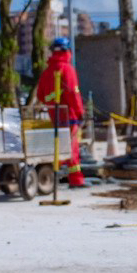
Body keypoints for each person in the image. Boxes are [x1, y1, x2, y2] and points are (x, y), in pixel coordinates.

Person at [35, 36, 86, 188]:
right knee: (72, 148)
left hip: (54, 116)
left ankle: (50, 174)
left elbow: (40, 95)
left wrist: (51, 101)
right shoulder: (67, 69)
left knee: (58, 146)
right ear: (67, 51)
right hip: (69, 116)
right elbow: (73, 93)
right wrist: (80, 112)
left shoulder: (47, 72)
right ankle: (76, 180)